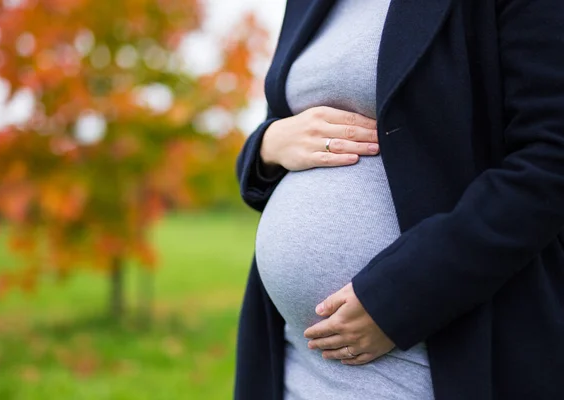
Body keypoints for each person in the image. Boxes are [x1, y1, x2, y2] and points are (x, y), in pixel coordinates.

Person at [234, 0, 564, 399]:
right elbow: (282, 123)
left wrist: (403, 296)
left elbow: (549, 161)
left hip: (437, 360)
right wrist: (267, 147)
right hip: (294, 364)